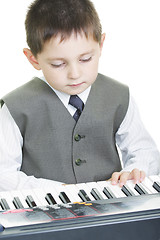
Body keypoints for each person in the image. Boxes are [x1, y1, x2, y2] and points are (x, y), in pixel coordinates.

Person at [0, 0, 160, 192]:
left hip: (111, 209)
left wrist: (135, 170)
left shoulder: (118, 95)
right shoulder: (15, 107)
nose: (74, 74)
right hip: (43, 213)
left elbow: (143, 150)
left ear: (100, 45)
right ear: (33, 59)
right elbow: (3, 174)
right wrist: (58, 190)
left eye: (85, 59)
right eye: (58, 64)